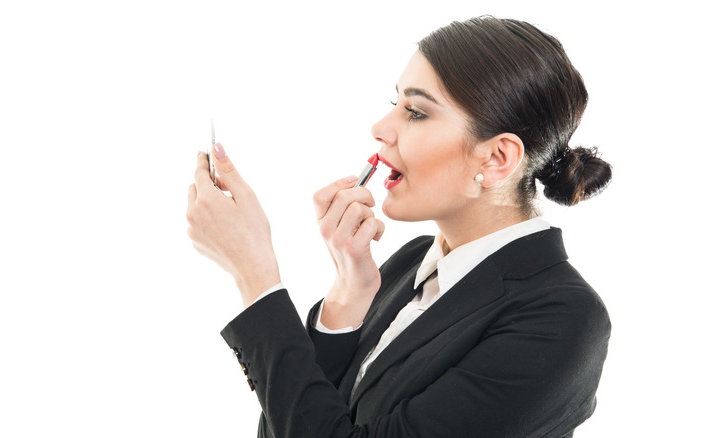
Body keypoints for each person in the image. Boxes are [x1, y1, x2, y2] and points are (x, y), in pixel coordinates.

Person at [186, 16, 612, 438]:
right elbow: (292, 424)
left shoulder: (562, 319)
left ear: (496, 158)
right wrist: (347, 298)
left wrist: (256, 276)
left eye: (416, 111)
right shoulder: (411, 264)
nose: (380, 129)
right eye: (396, 105)